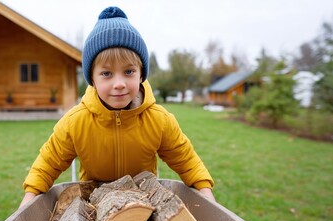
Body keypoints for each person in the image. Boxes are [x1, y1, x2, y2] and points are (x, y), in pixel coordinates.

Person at [20, 6, 215, 208]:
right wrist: (29, 199)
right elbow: (48, 163)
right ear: (92, 80)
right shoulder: (75, 122)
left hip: (144, 205)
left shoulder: (159, 120)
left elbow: (186, 159)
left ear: (141, 75)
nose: (119, 83)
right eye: (106, 74)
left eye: (129, 71)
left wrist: (205, 193)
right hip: (94, 208)